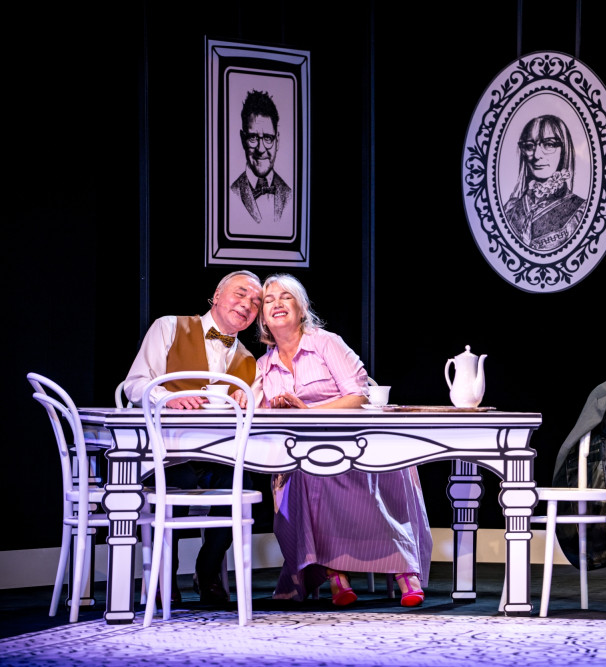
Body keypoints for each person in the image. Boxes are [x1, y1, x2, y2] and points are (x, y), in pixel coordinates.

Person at [257, 273, 432, 607]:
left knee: (349, 471)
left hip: (357, 441)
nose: (277, 304)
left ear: (302, 308)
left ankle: (404, 571)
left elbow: (358, 395)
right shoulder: (264, 366)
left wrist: (307, 411)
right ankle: (336, 574)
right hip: (302, 450)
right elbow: (264, 417)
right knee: (305, 474)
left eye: (286, 297)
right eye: (269, 300)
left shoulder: (326, 343)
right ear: (263, 318)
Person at [122, 270, 263, 605]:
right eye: (240, 294)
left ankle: (207, 571)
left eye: (256, 302)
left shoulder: (250, 361)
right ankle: (163, 575)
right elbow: (134, 384)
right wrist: (166, 397)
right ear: (217, 295)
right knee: (178, 479)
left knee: (240, 483)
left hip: (216, 455)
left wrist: (249, 398)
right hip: (164, 452)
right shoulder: (169, 327)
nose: (247, 304)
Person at [503, 114, 587, 252]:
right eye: (529, 146)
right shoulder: (510, 208)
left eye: (549, 144)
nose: (537, 155)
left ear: (564, 150)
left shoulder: (580, 210)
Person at [229, 89, 294, 237]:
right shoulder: (231, 193)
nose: (261, 148)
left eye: (268, 138)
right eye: (253, 137)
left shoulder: (290, 195)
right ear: (242, 139)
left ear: (277, 141)